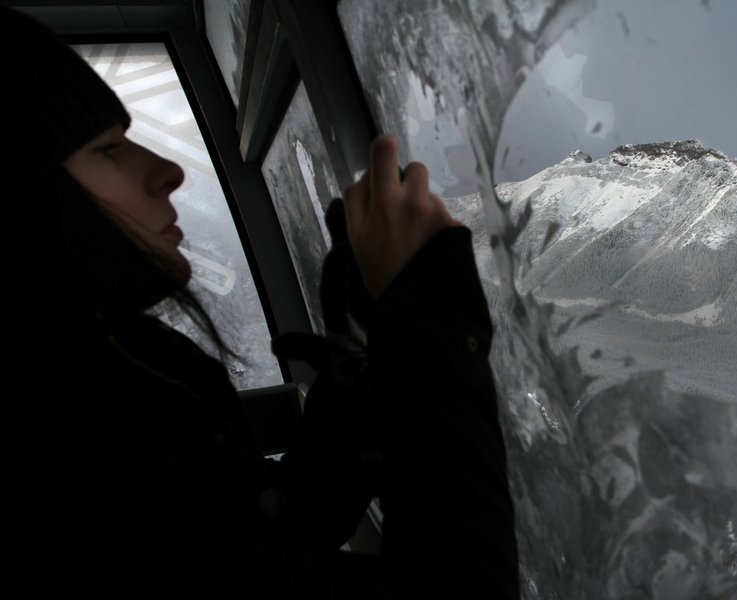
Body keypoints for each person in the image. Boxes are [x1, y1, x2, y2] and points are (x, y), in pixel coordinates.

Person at [6, 6, 519, 598]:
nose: (169, 171)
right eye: (109, 149)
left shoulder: (111, 362)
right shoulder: (54, 467)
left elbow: (260, 541)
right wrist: (435, 323)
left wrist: (354, 374)